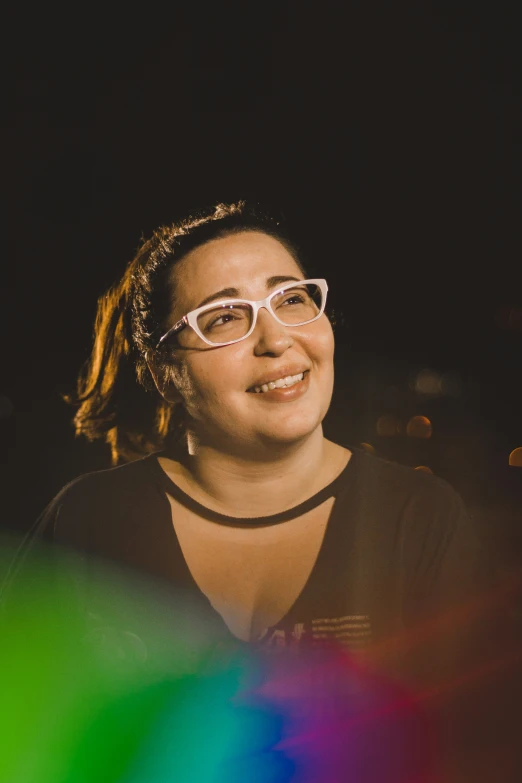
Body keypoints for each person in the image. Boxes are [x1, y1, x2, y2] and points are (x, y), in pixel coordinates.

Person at [2, 200, 515, 780]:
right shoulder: (90, 519)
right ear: (165, 372)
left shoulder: (417, 518)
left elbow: (480, 749)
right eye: (224, 317)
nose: (275, 339)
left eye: (290, 299)